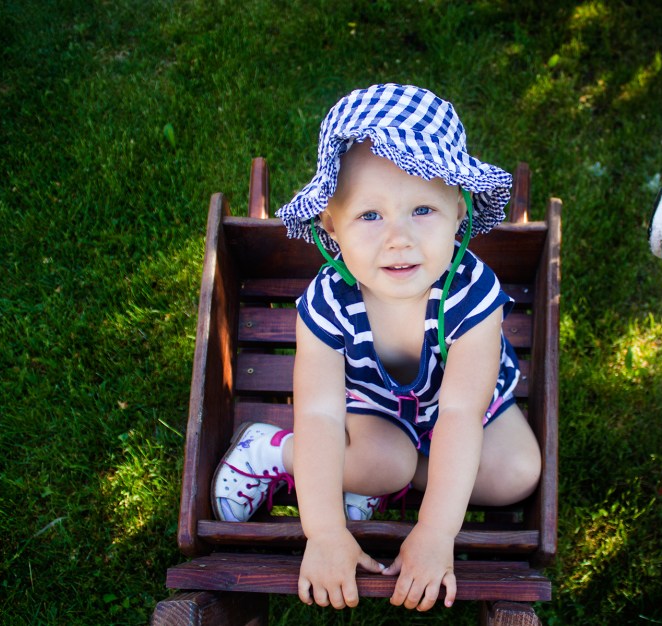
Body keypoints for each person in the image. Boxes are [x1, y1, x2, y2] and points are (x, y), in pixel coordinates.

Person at [210, 83, 541, 612]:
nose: (399, 238)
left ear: (459, 212)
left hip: (464, 403)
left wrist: (435, 532)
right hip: (376, 405)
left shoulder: (472, 295)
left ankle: (394, 481)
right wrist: (324, 533)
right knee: (386, 463)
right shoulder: (328, 302)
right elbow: (320, 413)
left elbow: (461, 412)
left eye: (422, 210)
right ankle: (269, 451)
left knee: (518, 473)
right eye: (369, 216)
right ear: (331, 225)